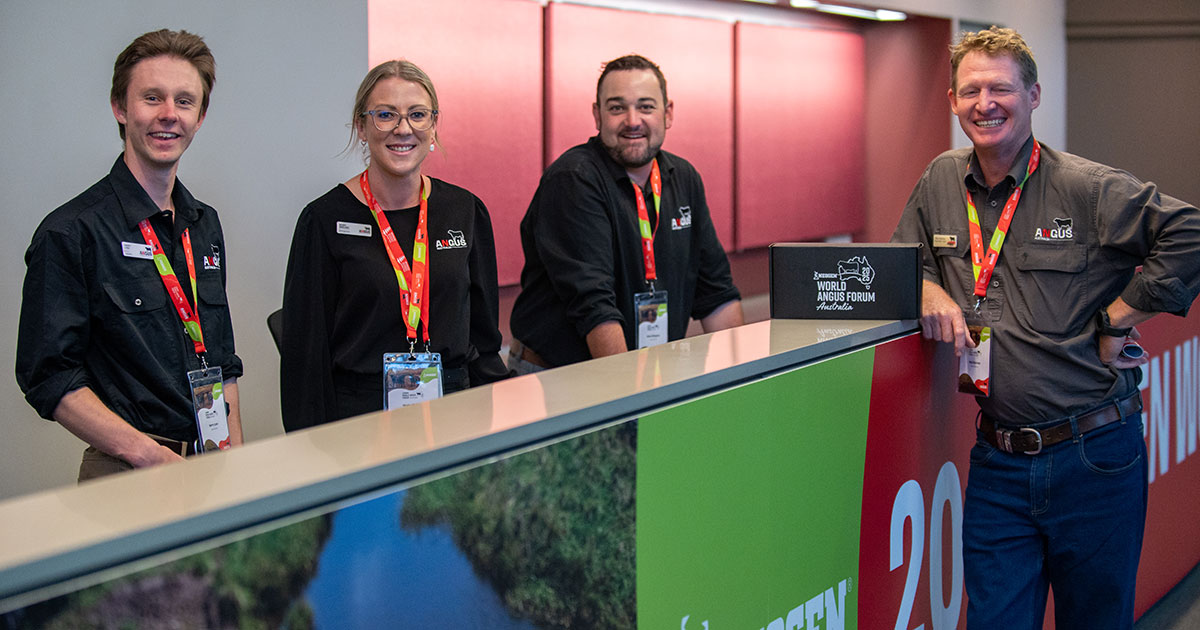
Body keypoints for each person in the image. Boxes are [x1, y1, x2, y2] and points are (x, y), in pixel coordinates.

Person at [892, 26, 1200, 629]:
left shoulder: (1085, 187)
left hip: (1094, 457)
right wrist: (927, 289)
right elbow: (901, 262)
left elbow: (1188, 233)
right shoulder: (939, 181)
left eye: (1001, 89)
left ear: (1033, 96)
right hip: (998, 461)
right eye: (971, 90)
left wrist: (1118, 318)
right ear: (952, 101)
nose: (985, 104)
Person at [16, 29, 243, 482]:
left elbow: (221, 363)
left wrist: (235, 463)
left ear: (200, 117)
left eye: (184, 101)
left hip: (211, 465)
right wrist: (148, 455)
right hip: (127, 471)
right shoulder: (71, 232)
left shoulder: (204, 225)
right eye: (152, 98)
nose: (168, 114)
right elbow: (49, 376)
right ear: (120, 107)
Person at [280, 60, 508, 432]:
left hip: (456, 413)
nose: (403, 129)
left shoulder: (465, 211)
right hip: (360, 422)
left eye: (417, 115)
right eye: (385, 115)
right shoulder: (323, 220)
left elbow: (485, 343)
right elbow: (305, 359)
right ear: (361, 126)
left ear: (433, 126)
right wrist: (312, 449)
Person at [508, 54, 742, 372]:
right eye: (617, 108)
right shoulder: (574, 179)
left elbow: (717, 294)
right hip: (564, 375)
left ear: (668, 113)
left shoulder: (684, 178)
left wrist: (744, 378)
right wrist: (633, 392)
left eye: (645, 106)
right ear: (598, 115)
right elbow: (594, 307)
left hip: (642, 371)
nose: (632, 121)